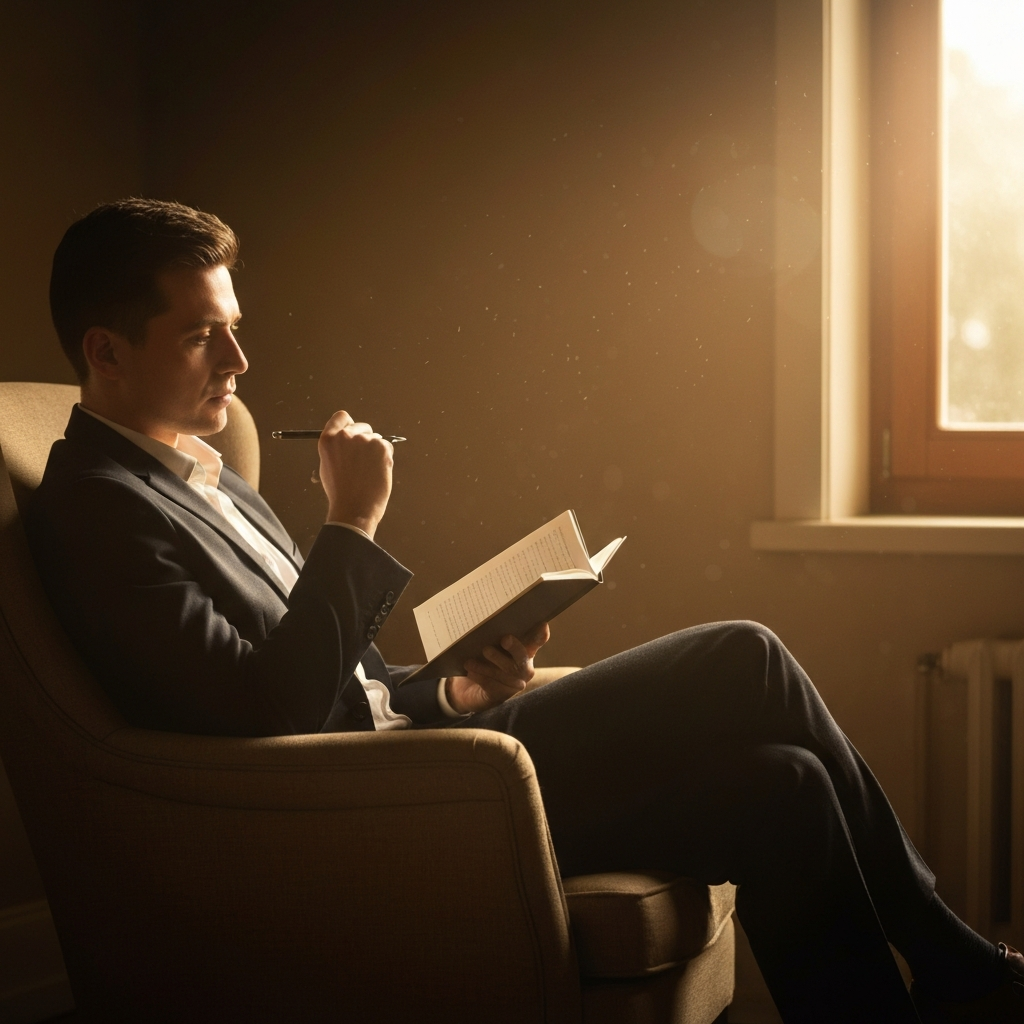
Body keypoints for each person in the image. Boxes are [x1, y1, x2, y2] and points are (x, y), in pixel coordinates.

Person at [24, 198, 1024, 1023]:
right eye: (204, 336)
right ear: (105, 353)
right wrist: (352, 522)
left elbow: (341, 679)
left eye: (235, 326)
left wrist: (452, 684)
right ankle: (951, 959)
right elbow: (265, 709)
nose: (239, 362)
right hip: (379, 813)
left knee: (785, 786)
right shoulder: (95, 510)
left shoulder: (202, 467)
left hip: (412, 755)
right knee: (745, 656)